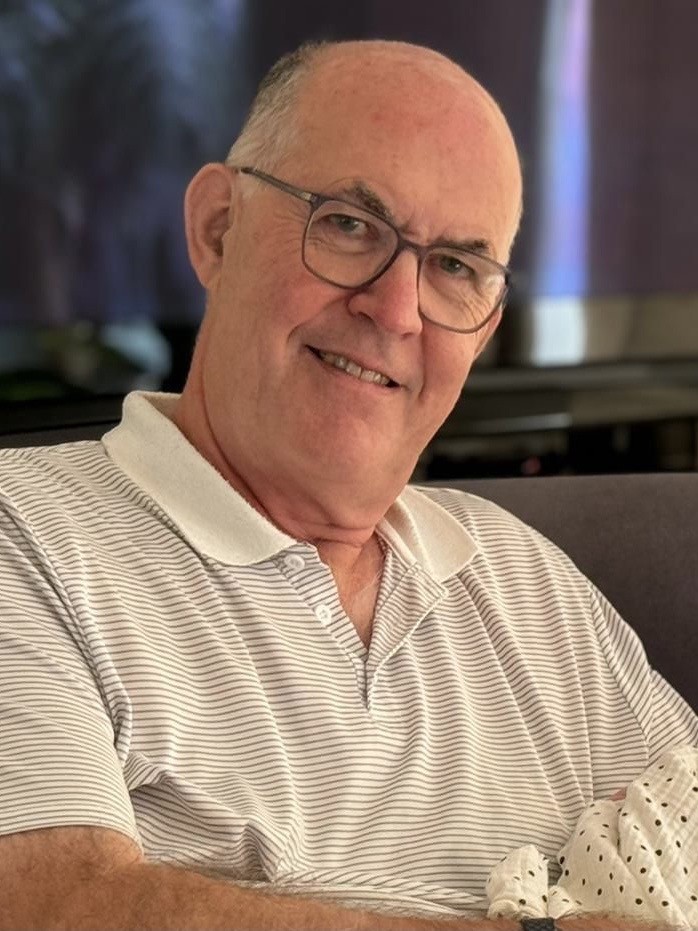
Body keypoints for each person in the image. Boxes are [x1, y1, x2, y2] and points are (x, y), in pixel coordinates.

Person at [0, 38, 695, 931]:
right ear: (218, 229)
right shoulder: (25, 535)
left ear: (482, 328)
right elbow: (52, 903)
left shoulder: (530, 582)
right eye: (349, 224)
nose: (396, 309)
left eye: (454, 266)